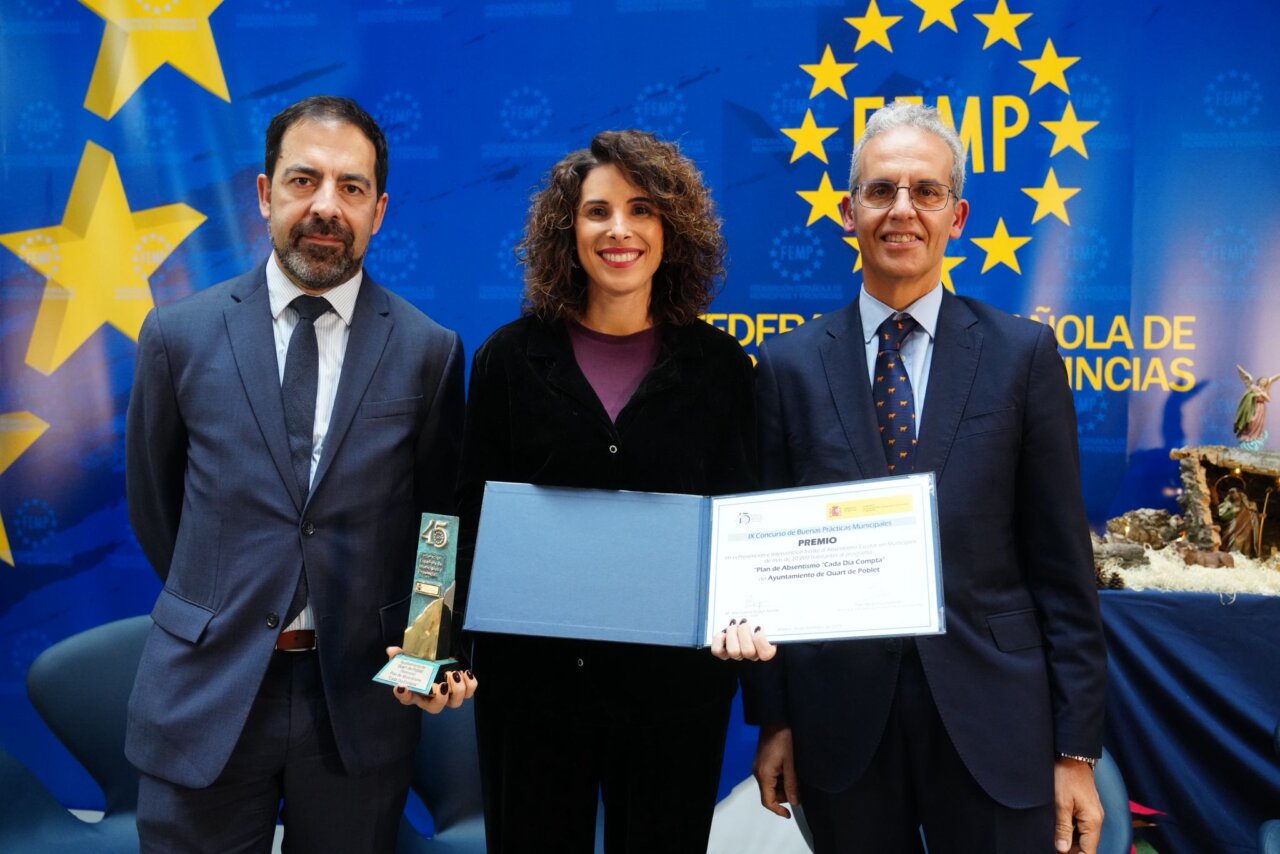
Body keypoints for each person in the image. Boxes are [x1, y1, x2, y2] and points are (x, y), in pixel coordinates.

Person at [735, 102, 1108, 853]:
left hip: (995, 717)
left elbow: (1063, 570)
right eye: (881, 190)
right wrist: (775, 719)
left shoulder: (1023, 356)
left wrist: (1076, 750)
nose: (902, 210)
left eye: (926, 191)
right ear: (848, 212)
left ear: (956, 216)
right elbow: (761, 572)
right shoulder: (786, 367)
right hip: (841, 725)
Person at [125, 95, 476, 853]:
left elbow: (439, 522)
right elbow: (156, 506)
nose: (326, 206)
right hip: (207, 691)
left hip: (355, 705)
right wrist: (222, 600)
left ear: (379, 210)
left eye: (351, 187)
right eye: (303, 180)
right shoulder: (178, 335)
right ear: (265, 194)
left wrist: (430, 649)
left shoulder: (430, 350)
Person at [455, 129, 757, 852]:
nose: (619, 229)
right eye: (598, 211)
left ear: (672, 229)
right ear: (568, 230)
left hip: (675, 702)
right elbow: (460, 521)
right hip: (531, 698)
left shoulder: (721, 368)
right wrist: (431, 649)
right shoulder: (507, 360)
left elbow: (744, 528)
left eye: (641, 209)